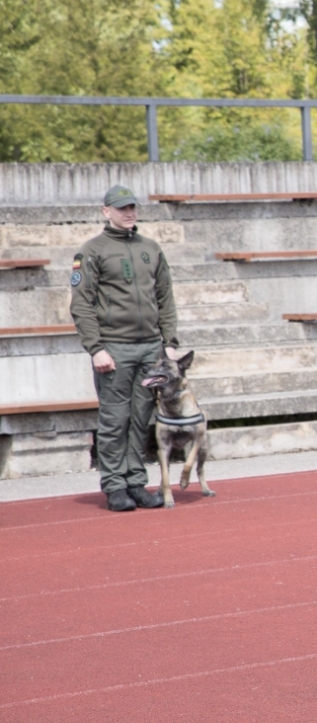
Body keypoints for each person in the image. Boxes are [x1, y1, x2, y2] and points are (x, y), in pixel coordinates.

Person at [70, 185, 182, 512]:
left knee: (141, 417)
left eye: (132, 207)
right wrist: (96, 348)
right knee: (115, 418)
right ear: (107, 211)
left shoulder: (151, 248)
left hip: (150, 353)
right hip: (115, 351)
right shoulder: (92, 251)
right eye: (121, 208)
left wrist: (170, 343)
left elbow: (166, 298)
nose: (128, 212)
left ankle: (136, 482)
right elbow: (82, 305)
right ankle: (115, 486)